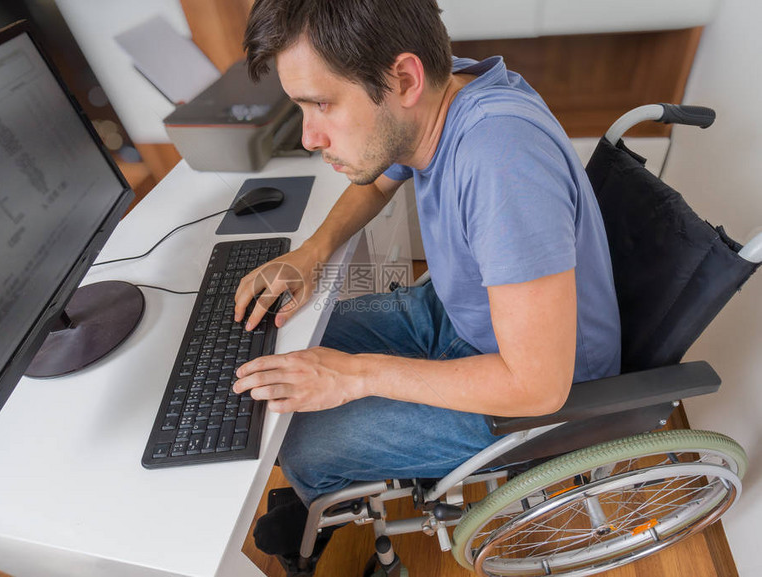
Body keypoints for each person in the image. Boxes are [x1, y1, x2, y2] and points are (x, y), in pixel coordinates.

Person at [232, 0, 621, 565]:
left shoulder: (500, 159)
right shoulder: (439, 90)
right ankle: (323, 487)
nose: (310, 137)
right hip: (464, 313)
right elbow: (377, 176)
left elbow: (538, 388)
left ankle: (317, 504)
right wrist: (310, 254)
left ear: (404, 79)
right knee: (288, 343)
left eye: (321, 104)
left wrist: (358, 376)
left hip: (536, 391)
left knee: (298, 439)